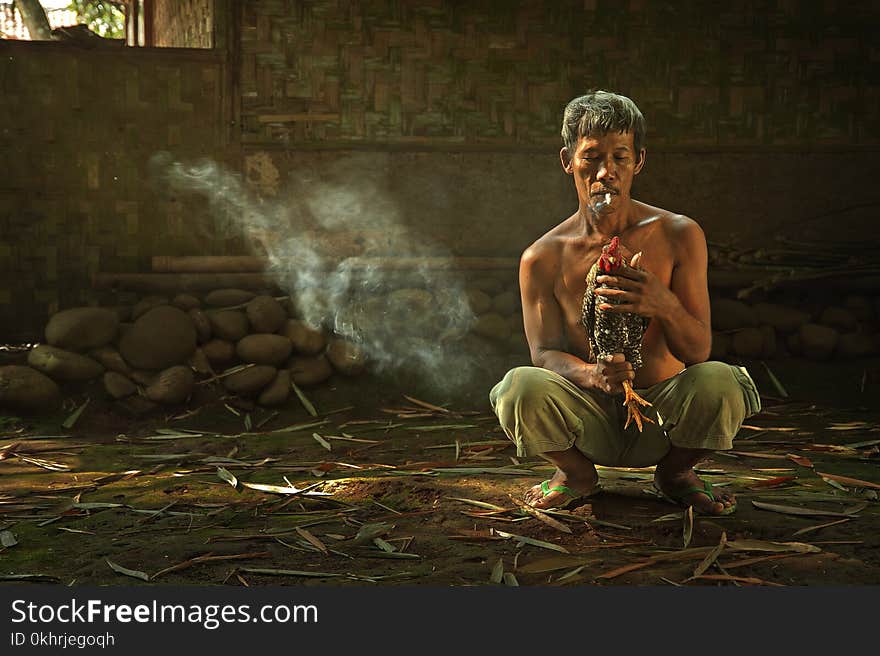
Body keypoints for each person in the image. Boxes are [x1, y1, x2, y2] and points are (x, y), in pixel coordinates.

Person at [489, 90, 761, 516]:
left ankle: (676, 473)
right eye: (591, 157)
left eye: (619, 156)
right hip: (587, 419)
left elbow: (698, 352)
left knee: (721, 382)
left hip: (662, 418)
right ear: (568, 161)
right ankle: (575, 473)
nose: (605, 172)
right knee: (519, 386)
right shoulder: (541, 257)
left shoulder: (679, 234)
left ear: (638, 162)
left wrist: (662, 304)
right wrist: (592, 375)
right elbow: (543, 353)